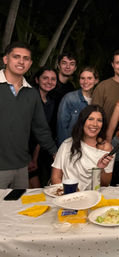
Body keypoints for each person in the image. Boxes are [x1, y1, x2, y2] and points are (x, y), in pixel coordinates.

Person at [0, 42, 57, 189]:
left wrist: (55, 153)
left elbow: (41, 128)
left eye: (26, 58)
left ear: (30, 63)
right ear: (6, 59)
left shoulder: (32, 93)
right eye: (16, 57)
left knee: (17, 210)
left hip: (21, 169)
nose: (21, 61)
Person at [51, 105, 114, 191]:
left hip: (92, 197)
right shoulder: (67, 144)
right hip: (67, 195)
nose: (95, 124)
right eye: (90, 119)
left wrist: (101, 168)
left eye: (99, 120)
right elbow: (55, 177)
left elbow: (105, 184)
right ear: (82, 121)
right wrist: (67, 194)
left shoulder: (107, 149)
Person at [28, 67, 58, 188]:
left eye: (53, 79)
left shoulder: (50, 102)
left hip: (36, 151)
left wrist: (34, 158)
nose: (49, 82)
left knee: (37, 189)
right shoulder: (29, 98)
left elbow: (42, 132)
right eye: (45, 78)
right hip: (19, 152)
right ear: (37, 79)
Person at [57, 67, 99, 146]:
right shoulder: (70, 98)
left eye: (89, 78)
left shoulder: (98, 100)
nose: (85, 81)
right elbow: (62, 127)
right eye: (82, 78)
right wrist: (63, 149)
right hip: (71, 145)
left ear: (96, 80)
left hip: (89, 146)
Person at [92, 49, 119, 123]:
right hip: (105, 133)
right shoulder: (102, 87)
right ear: (113, 65)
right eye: (118, 63)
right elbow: (93, 114)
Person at [48, 52, 78, 143]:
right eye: (64, 63)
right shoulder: (49, 82)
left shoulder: (71, 88)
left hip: (58, 133)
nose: (68, 67)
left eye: (71, 64)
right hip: (42, 129)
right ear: (58, 65)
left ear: (75, 68)